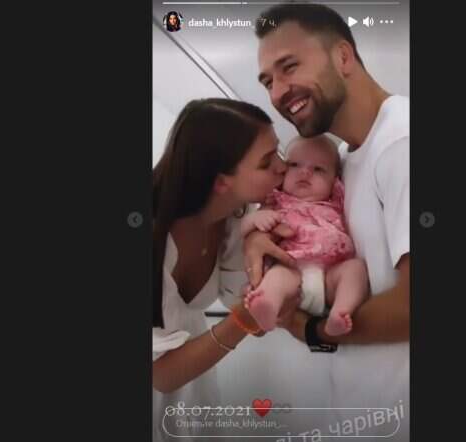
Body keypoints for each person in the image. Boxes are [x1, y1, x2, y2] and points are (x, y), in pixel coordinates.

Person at [249, 3, 410, 440]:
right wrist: (257, 241)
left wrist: (309, 330)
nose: (278, 92)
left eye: (289, 67)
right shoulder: (339, 159)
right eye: (267, 81)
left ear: (343, 56)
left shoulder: (402, 144)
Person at [152, 98, 298, 441]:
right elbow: (161, 376)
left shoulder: (233, 217)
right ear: (221, 182)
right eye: (267, 162)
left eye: (278, 152)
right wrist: (244, 319)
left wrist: (257, 244)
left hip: (192, 384)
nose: (283, 167)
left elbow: (257, 318)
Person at [241, 135, 369, 335]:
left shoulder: (337, 199)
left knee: (356, 269)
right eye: (294, 165)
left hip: (330, 275)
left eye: (318, 169)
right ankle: (267, 305)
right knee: (277, 278)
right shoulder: (275, 200)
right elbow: (245, 232)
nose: (305, 172)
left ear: (335, 180)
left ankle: (340, 311)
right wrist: (254, 219)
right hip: (291, 268)